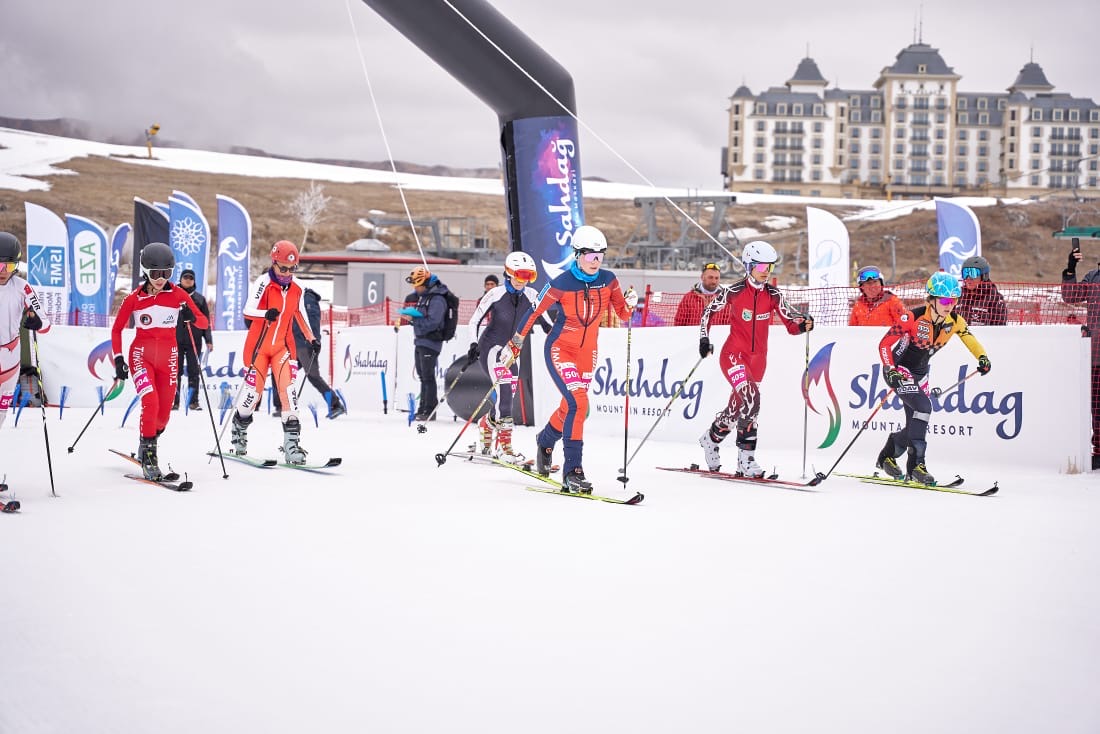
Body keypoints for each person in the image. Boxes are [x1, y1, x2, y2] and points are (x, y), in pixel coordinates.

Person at [501, 225, 637, 492]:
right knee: (579, 401)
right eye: (590, 256)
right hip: (560, 349)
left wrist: (630, 303)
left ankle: (545, 440)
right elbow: (532, 312)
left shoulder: (609, 280)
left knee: (574, 408)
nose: (595, 262)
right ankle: (573, 471)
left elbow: (623, 314)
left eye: (600, 256)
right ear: (577, 255)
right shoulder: (560, 283)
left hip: (588, 353)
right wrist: (515, 344)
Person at [697, 241, 813, 477]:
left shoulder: (774, 295)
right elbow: (709, 312)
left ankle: (710, 438)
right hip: (733, 355)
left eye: (769, 266)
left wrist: (805, 325)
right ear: (749, 265)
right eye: (760, 265)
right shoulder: (734, 291)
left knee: (738, 407)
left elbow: (792, 324)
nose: (765, 270)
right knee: (752, 398)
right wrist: (703, 339)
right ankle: (746, 459)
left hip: (758, 360)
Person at [876, 272, 992, 484]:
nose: (950, 305)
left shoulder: (955, 321)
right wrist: (890, 370)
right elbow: (884, 344)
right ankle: (917, 465)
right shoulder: (913, 317)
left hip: (920, 374)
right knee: (924, 407)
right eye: (946, 300)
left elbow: (971, 340)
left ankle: (888, 455)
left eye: (955, 300)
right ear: (932, 299)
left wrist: (982, 357)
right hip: (898, 369)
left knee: (915, 424)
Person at [111, 242, 209, 480]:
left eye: (166, 273)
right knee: (151, 401)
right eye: (156, 274)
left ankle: (145, 445)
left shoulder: (178, 294)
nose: (161, 279)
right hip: (140, 356)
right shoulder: (133, 299)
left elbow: (204, 322)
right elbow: (116, 330)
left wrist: (190, 316)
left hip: (169, 358)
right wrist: (119, 358)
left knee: (164, 415)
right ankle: (151, 457)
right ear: (145, 271)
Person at [229, 240, 320, 464]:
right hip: (257, 349)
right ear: (274, 263)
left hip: (283, 348)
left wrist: (312, 338)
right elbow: (247, 310)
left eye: (292, 268)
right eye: (283, 268)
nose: (287, 273)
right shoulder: (263, 282)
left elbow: (299, 313)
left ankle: (292, 446)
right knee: (252, 397)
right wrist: (264, 314)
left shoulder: (297, 287)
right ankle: (238, 434)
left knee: (289, 395)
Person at [466, 251, 549, 462]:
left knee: (507, 397)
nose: (524, 281)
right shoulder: (495, 294)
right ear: (509, 273)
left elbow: (545, 318)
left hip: (512, 352)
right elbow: (474, 321)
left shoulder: (531, 295)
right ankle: (504, 447)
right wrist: (473, 343)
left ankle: (486, 423)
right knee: (504, 391)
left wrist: (552, 329)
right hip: (490, 349)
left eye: (529, 276)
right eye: (520, 276)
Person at [0, 232, 51, 434]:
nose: (3, 271)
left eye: (9, 266)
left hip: (10, 360)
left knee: (2, 413)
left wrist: (36, 321)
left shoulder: (23, 287)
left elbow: (45, 324)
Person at [271, 287, 346, 419]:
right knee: (280, 370)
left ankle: (335, 404)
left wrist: (311, 342)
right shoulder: (297, 298)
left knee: (313, 376)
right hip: (297, 345)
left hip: (305, 346)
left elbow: (311, 325)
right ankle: (282, 405)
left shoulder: (307, 299)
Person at [1061, 240, 1100, 468]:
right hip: (1095, 355)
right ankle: (1099, 450)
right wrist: (1070, 270)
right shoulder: (1094, 276)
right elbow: (1070, 296)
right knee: (1097, 406)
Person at [399, 265, 454, 421]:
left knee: (428, 376)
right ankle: (423, 408)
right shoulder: (425, 297)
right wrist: (412, 320)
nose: (415, 289)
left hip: (431, 341)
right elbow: (423, 319)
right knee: (423, 376)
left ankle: (429, 409)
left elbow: (433, 322)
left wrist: (414, 319)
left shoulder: (437, 298)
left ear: (425, 284)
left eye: (418, 286)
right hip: (421, 340)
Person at [173, 268, 213, 411]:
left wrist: (208, 340)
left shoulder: (199, 299)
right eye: (185, 277)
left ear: (194, 280)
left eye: (191, 278)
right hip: (175, 340)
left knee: (194, 371)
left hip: (193, 340)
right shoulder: (173, 296)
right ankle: (174, 401)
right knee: (174, 371)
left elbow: (206, 322)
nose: (188, 280)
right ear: (181, 279)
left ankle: (193, 401)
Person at [956, 255, 1007, 326]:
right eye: (965, 273)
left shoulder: (995, 299)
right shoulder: (958, 295)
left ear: (984, 276)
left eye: (973, 274)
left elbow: (999, 330)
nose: (968, 278)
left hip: (983, 336)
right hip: (958, 336)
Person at [673, 262, 726, 326]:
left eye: (716, 278)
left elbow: (729, 324)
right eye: (710, 277)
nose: (714, 281)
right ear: (702, 277)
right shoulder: (689, 298)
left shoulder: (725, 299)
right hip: (692, 335)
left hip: (716, 335)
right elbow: (679, 323)